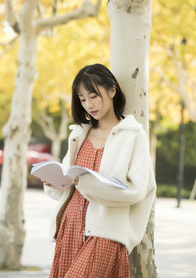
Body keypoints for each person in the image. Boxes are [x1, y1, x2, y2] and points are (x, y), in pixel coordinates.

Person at [42, 64, 156, 278]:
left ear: (112, 90)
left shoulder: (132, 135)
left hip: (106, 231)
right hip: (71, 226)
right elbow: (66, 188)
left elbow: (138, 191)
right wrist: (55, 182)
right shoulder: (78, 134)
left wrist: (84, 183)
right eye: (82, 99)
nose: (88, 105)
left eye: (93, 96)